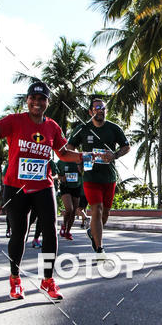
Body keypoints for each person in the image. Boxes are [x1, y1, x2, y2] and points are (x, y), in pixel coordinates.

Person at [0, 81, 84, 301]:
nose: (37, 103)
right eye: (33, 98)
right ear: (27, 100)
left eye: (42, 99)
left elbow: (63, 153)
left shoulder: (52, 126)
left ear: (47, 102)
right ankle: (15, 279)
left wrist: (85, 156)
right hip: (16, 187)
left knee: (50, 231)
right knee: (19, 233)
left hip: (43, 186)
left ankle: (47, 280)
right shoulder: (14, 121)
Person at [66, 98, 130, 257]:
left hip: (109, 177)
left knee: (105, 213)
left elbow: (126, 146)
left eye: (102, 108)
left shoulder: (113, 128)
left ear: (105, 111)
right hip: (90, 176)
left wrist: (114, 155)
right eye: (96, 108)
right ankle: (100, 248)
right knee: (97, 209)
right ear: (90, 112)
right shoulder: (83, 129)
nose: (99, 110)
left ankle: (92, 232)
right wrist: (79, 159)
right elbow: (69, 147)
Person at [56, 157, 83, 240]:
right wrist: (61, 178)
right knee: (69, 209)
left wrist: (81, 170)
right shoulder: (60, 162)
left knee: (74, 211)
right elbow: (55, 175)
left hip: (76, 187)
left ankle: (68, 231)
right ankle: (64, 225)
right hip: (65, 187)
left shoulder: (79, 159)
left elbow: (86, 173)